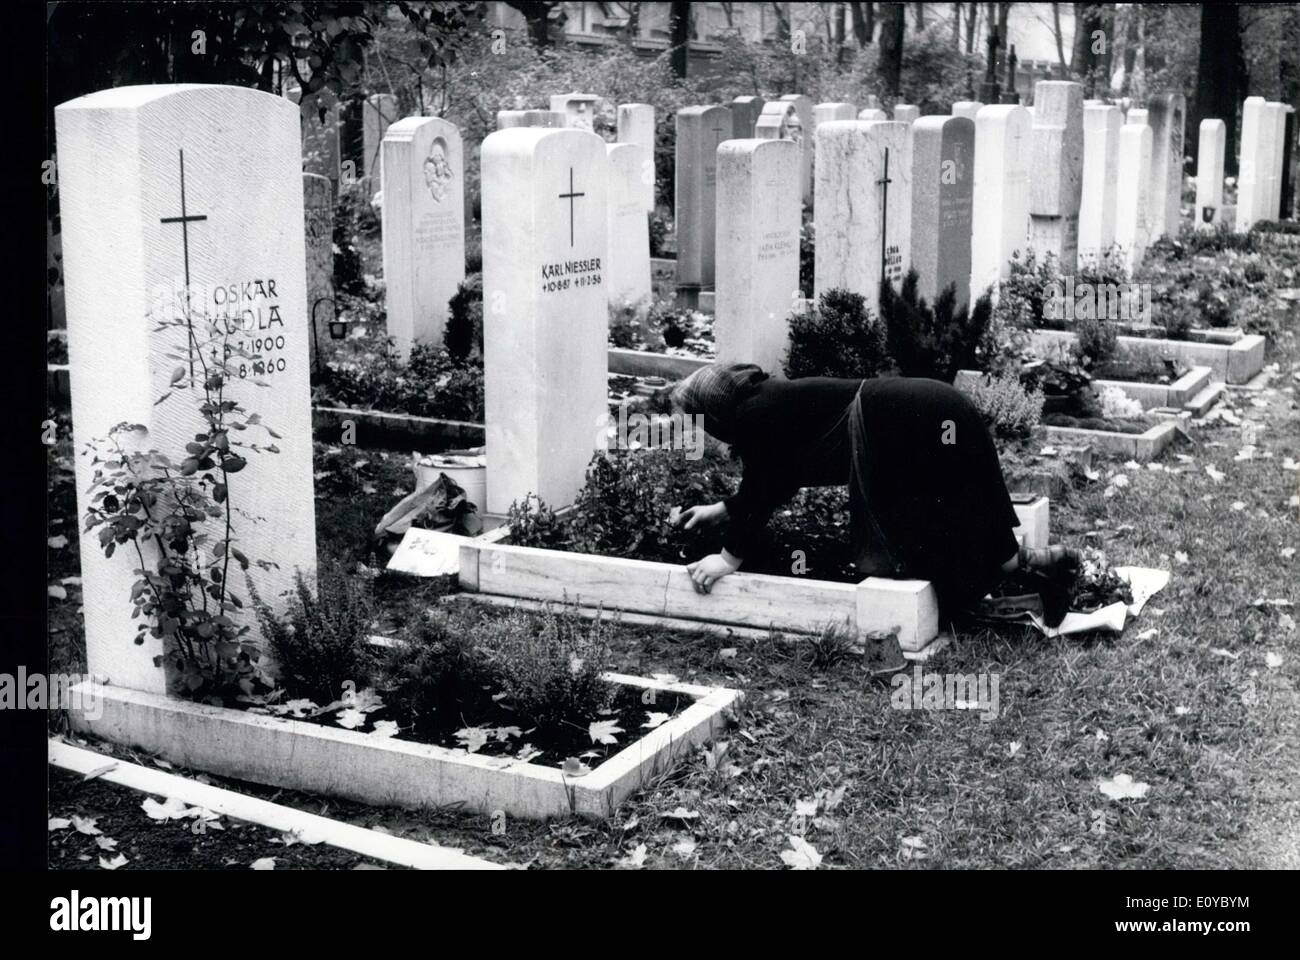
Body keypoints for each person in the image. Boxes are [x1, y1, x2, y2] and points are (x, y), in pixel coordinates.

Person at [671, 363, 1079, 626]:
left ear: (712, 411)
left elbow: (764, 485)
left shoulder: (753, 418)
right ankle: (1051, 566)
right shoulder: (766, 401)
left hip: (913, 425)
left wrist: (727, 560)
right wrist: (722, 509)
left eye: (696, 420)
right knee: (979, 529)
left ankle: (1024, 587)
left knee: (931, 540)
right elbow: (778, 481)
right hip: (936, 408)